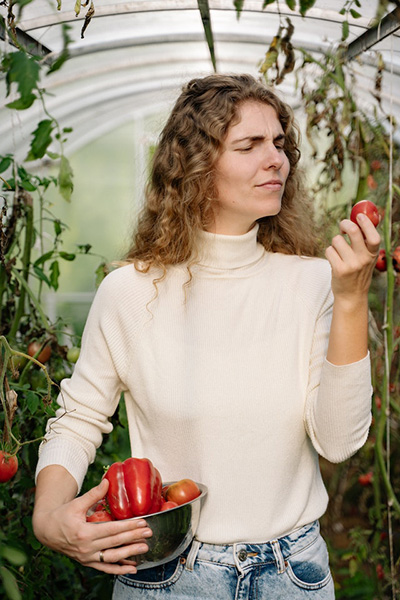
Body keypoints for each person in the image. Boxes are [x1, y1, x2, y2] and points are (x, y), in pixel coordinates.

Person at [33, 73, 380, 599]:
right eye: (250, 145)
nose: (277, 160)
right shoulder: (130, 291)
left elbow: (338, 442)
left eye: (280, 144)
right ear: (195, 169)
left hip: (293, 575)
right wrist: (47, 517)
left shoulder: (314, 282)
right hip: (168, 572)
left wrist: (352, 299)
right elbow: (79, 420)